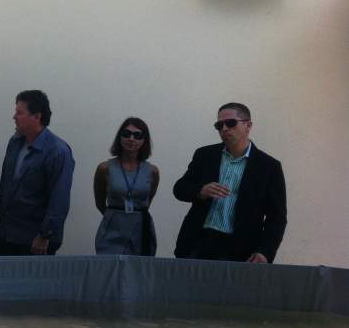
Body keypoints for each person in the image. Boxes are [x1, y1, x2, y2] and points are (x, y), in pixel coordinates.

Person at [173, 102, 287, 263]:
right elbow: (179, 189)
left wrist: (265, 252)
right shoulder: (205, 155)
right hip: (198, 242)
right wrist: (201, 190)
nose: (224, 129)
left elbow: (277, 217)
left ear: (248, 126)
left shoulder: (269, 167)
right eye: (219, 125)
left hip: (240, 248)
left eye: (231, 123)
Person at [0, 90, 75, 256]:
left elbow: (59, 199)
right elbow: (5, 184)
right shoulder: (15, 142)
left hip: (34, 239)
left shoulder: (58, 151)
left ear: (37, 117)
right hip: (5, 233)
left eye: (19, 113)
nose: (14, 117)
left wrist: (45, 235)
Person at [93, 118, 160, 256]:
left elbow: (148, 201)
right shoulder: (104, 168)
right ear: (120, 137)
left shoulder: (152, 171)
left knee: (140, 268)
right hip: (112, 227)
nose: (131, 139)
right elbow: (99, 202)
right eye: (126, 133)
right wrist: (114, 214)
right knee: (109, 267)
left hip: (141, 229)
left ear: (144, 140)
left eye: (137, 135)